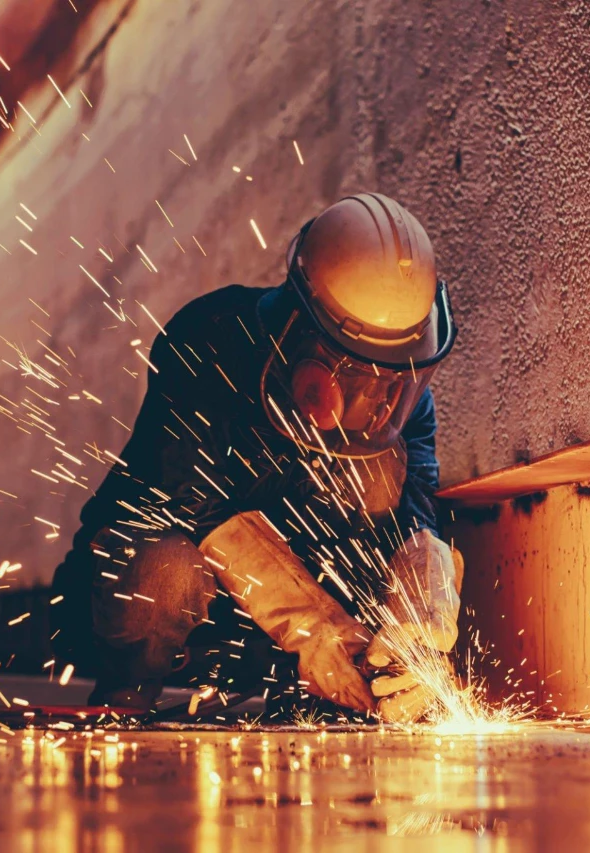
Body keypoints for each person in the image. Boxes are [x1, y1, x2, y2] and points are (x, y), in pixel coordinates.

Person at [51, 193, 462, 721]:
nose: (378, 401)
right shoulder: (209, 340)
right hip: (162, 608)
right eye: (360, 375)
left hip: (288, 631)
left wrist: (419, 617)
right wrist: (314, 632)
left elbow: (415, 518)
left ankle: (330, 688)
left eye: (391, 379)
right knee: (167, 573)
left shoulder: (399, 407)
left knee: (384, 474)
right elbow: (197, 508)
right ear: (306, 334)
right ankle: (127, 694)